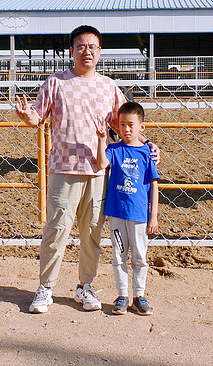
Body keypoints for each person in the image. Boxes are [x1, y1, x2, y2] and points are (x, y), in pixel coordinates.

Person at [15, 25, 148, 314]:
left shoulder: (109, 87)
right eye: (81, 46)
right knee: (57, 228)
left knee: (91, 231)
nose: (87, 51)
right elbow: (37, 116)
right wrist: (27, 116)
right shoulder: (56, 83)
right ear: (72, 50)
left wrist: (148, 146)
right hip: (64, 168)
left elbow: (126, 125)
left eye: (93, 47)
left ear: (99, 52)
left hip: (98, 172)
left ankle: (84, 286)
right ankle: (45, 287)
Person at [96, 100, 159, 316]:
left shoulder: (146, 154)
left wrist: (154, 216)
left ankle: (139, 295)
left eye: (131, 125)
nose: (126, 129)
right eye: (122, 125)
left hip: (139, 214)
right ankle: (122, 295)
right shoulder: (114, 149)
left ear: (141, 127)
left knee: (140, 256)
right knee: (118, 254)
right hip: (117, 212)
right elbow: (102, 163)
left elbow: (154, 185)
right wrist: (99, 138)